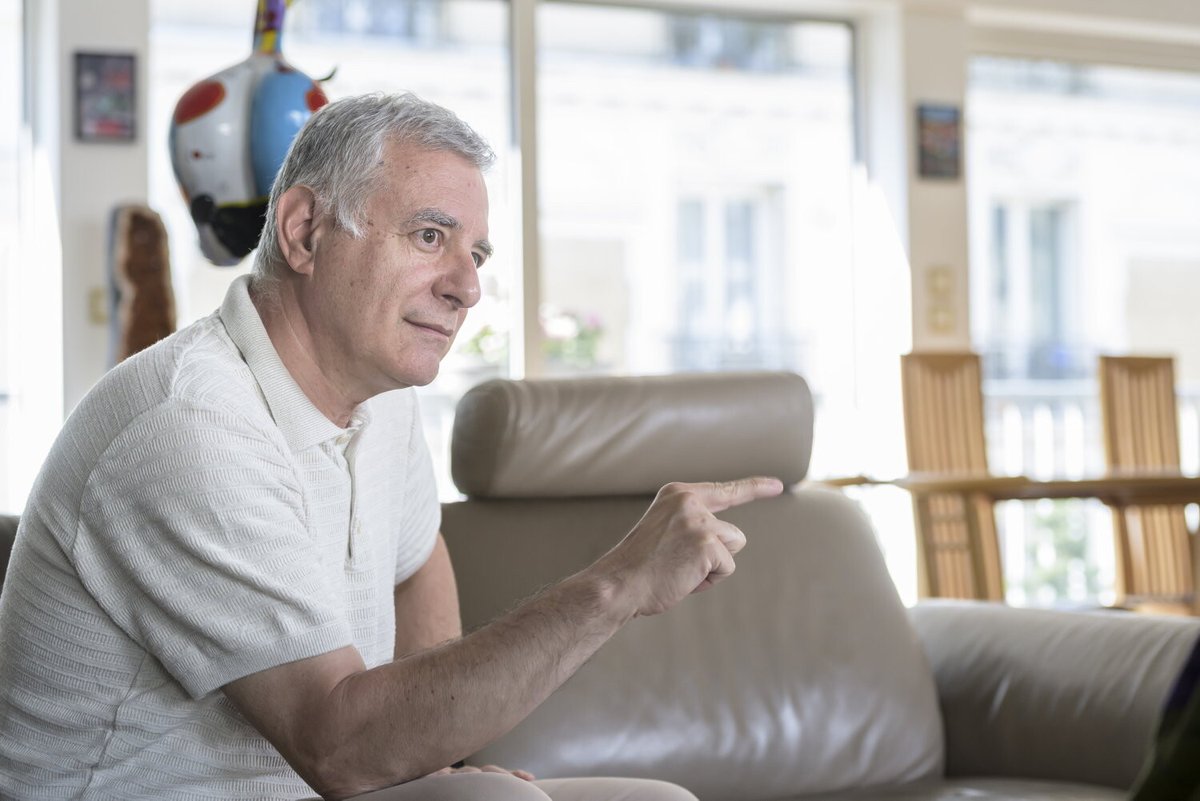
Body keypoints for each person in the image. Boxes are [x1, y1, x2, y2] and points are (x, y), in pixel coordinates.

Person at [0, 92, 782, 801]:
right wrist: (616, 584)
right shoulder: (187, 427)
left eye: (473, 254)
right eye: (430, 235)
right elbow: (336, 743)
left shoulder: (383, 398)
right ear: (304, 231)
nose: (467, 286)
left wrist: (431, 763)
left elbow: (416, 562)